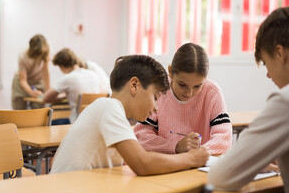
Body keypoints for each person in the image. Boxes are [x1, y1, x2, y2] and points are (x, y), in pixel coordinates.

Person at [50, 54, 209, 174]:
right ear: (134, 85)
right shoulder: (109, 107)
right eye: (155, 97)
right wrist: (191, 159)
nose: (156, 108)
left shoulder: (110, 109)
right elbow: (142, 163)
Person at [208, 7, 289, 193]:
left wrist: (255, 159)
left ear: (280, 53)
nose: (268, 75)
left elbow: (220, 176)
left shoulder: (284, 102)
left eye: (266, 64)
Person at [133, 43, 232, 155]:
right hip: (163, 163)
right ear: (170, 71)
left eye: (197, 86)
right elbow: (141, 135)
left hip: (198, 164)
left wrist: (197, 154)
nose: (189, 93)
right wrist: (175, 146)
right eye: (182, 84)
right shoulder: (158, 90)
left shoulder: (212, 91)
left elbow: (225, 138)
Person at [43, 48, 100, 124]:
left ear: (61, 66)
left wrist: (64, 96)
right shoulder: (92, 74)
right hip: (93, 121)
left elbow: (46, 98)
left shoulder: (68, 78)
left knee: (47, 122)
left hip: (76, 122)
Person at [11, 34, 50, 110]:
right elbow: (23, 80)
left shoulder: (46, 50)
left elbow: (46, 73)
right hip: (21, 83)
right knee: (18, 111)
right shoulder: (23, 55)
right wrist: (31, 92)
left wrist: (48, 92)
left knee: (39, 111)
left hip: (38, 81)